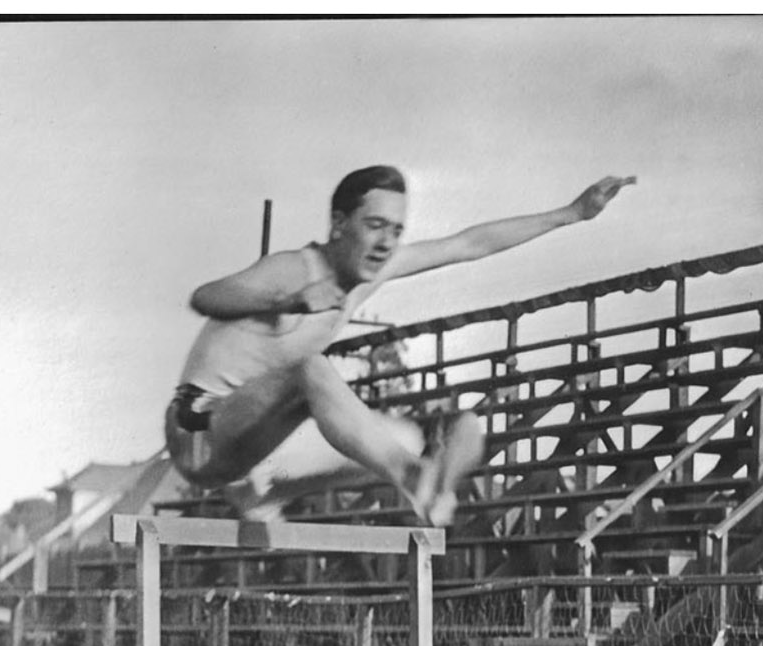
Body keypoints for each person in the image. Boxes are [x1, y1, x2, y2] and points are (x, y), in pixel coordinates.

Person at [164, 166, 636, 525]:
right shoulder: (294, 268)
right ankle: (412, 480)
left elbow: (468, 244)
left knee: (404, 438)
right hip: (199, 433)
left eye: (396, 230)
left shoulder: (369, 272)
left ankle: (262, 491)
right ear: (339, 224)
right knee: (312, 370)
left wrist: (572, 213)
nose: (386, 243)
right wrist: (291, 299)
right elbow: (205, 296)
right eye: (374, 225)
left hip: (256, 448)